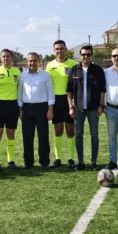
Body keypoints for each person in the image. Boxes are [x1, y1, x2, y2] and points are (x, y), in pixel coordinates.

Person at [66, 45, 106, 170]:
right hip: (78, 109)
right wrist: (71, 107)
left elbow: (102, 90)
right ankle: (81, 162)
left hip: (94, 109)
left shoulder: (98, 70)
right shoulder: (74, 70)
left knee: (94, 135)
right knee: (78, 135)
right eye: (83, 54)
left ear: (92, 55)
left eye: (88, 54)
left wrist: (101, 105)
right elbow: (69, 91)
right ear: (80, 55)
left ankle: (93, 162)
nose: (86, 56)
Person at [18, 52, 54, 169]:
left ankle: (44, 162)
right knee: (27, 136)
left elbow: (51, 94)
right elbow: (20, 94)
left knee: (43, 136)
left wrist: (50, 109)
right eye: (30, 61)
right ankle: (28, 162)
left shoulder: (45, 75)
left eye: (34, 61)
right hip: (27, 108)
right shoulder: (22, 75)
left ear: (38, 62)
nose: (32, 63)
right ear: (27, 62)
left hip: (42, 108)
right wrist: (20, 109)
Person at [46, 40, 77, 168]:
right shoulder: (49, 65)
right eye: (57, 49)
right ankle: (58, 158)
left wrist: (74, 102)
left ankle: (71, 158)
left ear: (66, 49)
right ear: (54, 50)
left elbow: (76, 85)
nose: (59, 51)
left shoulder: (73, 64)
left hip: (69, 100)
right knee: (58, 130)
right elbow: (47, 86)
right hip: (55, 101)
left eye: (61, 48)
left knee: (70, 130)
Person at [0, 49, 21, 170]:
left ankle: (10, 161)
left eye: (8, 56)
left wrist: (19, 107)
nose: (5, 58)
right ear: (0, 58)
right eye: (3, 57)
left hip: (13, 106)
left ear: (12, 58)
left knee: (11, 134)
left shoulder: (17, 72)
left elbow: (19, 89)